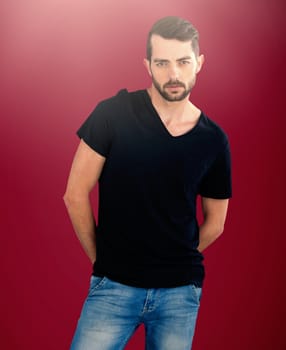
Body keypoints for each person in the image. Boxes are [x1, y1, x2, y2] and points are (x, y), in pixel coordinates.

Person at [63, 16, 232, 350]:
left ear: (199, 63)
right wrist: (103, 258)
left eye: (183, 62)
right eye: (162, 63)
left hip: (179, 293)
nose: (173, 74)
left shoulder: (213, 140)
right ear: (148, 65)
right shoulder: (113, 114)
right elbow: (74, 194)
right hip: (113, 287)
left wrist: (175, 256)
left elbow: (216, 223)